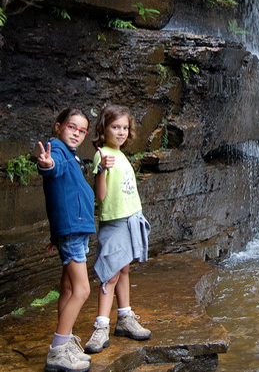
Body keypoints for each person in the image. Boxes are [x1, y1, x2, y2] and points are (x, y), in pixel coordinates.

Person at [84, 105, 151, 354]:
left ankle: (124, 317)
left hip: (130, 218)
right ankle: (101, 326)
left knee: (123, 269)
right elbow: (100, 195)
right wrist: (102, 169)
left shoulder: (121, 155)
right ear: (104, 129)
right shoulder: (103, 155)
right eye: (115, 127)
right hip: (114, 221)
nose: (121, 132)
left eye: (125, 127)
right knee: (110, 273)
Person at [36, 108, 95, 372]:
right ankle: (58, 350)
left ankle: (66, 339)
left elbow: (60, 196)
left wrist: (55, 235)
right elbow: (52, 168)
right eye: (72, 127)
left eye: (82, 131)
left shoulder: (72, 155)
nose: (77, 134)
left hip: (73, 230)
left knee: (69, 288)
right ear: (58, 126)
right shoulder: (57, 150)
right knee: (83, 290)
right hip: (72, 230)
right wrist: (47, 164)